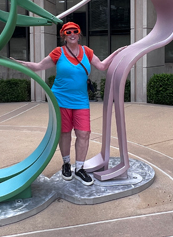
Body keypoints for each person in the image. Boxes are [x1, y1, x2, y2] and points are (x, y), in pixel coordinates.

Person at [12, 22, 126, 186]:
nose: (72, 34)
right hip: (60, 99)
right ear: (63, 35)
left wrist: (117, 52)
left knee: (84, 133)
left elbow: (102, 66)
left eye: (75, 31)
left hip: (80, 100)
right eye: (68, 32)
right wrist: (19, 63)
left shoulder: (86, 51)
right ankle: (66, 164)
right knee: (64, 133)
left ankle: (79, 168)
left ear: (79, 34)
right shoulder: (58, 52)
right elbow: (38, 66)